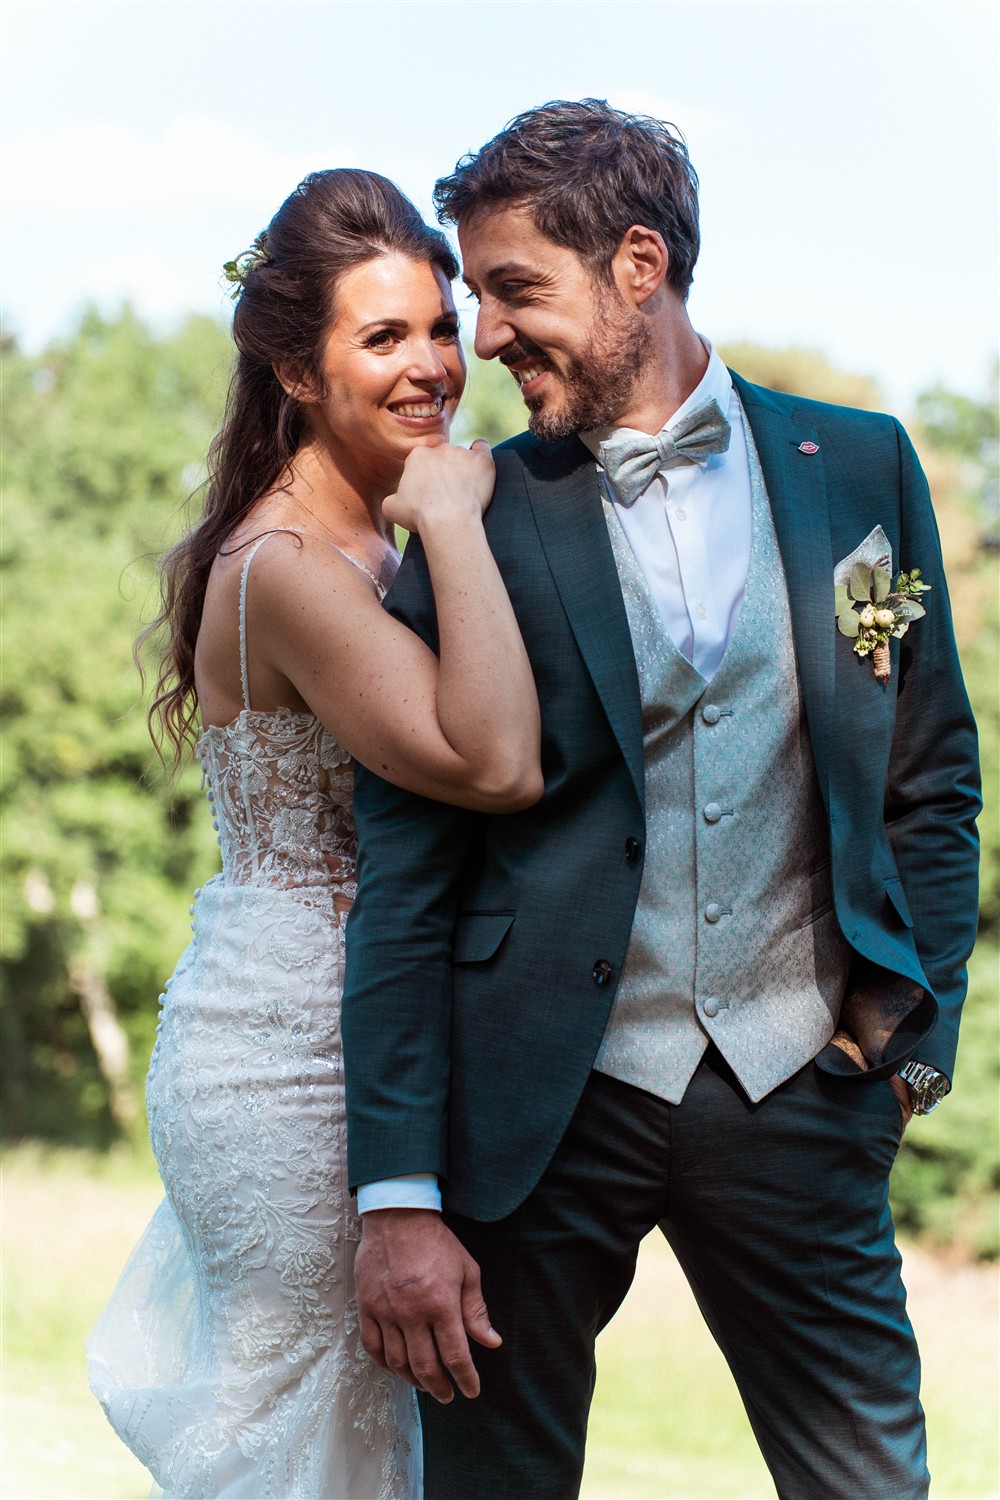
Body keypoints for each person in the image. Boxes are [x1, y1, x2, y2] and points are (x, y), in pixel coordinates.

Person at [342, 101, 982, 1500]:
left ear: (640, 265)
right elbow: (402, 874)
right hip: (531, 1116)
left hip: (801, 1091)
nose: (486, 340)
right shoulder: (475, 513)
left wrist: (910, 1047)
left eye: (516, 290)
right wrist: (396, 1191)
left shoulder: (859, 465)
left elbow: (932, 779)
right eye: (479, 297)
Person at [86, 167, 543, 1500]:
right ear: (295, 368)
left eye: (439, 328)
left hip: (363, 1027)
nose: (433, 369)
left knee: (366, 1446)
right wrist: (456, 515)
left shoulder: (369, 538)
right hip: (289, 1058)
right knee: (315, 1447)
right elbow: (496, 761)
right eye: (382, 338)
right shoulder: (287, 567)